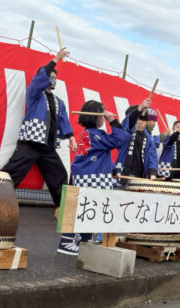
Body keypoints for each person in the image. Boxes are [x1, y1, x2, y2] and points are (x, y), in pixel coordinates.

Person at [1, 49, 76, 207]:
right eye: (50, 77)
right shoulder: (34, 93)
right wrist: (56, 59)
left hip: (48, 147)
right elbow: (39, 78)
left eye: (55, 78)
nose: (53, 80)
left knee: (60, 175)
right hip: (30, 142)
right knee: (12, 172)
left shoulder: (58, 102)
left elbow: (64, 122)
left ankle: (64, 210)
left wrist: (72, 138)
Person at [56, 100, 131, 255]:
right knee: (85, 210)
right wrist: (113, 121)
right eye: (102, 113)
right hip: (92, 177)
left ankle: (83, 241)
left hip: (89, 174)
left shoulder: (90, 134)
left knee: (89, 209)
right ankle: (67, 242)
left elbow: (100, 155)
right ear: (95, 116)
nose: (104, 117)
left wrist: (111, 169)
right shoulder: (95, 135)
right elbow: (122, 140)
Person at [118, 105, 159, 180]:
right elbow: (127, 125)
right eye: (137, 119)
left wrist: (152, 172)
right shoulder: (126, 132)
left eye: (143, 120)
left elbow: (152, 156)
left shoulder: (148, 138)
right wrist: (138, 110)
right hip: (122, 173)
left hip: (139, 176)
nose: (140, 122)